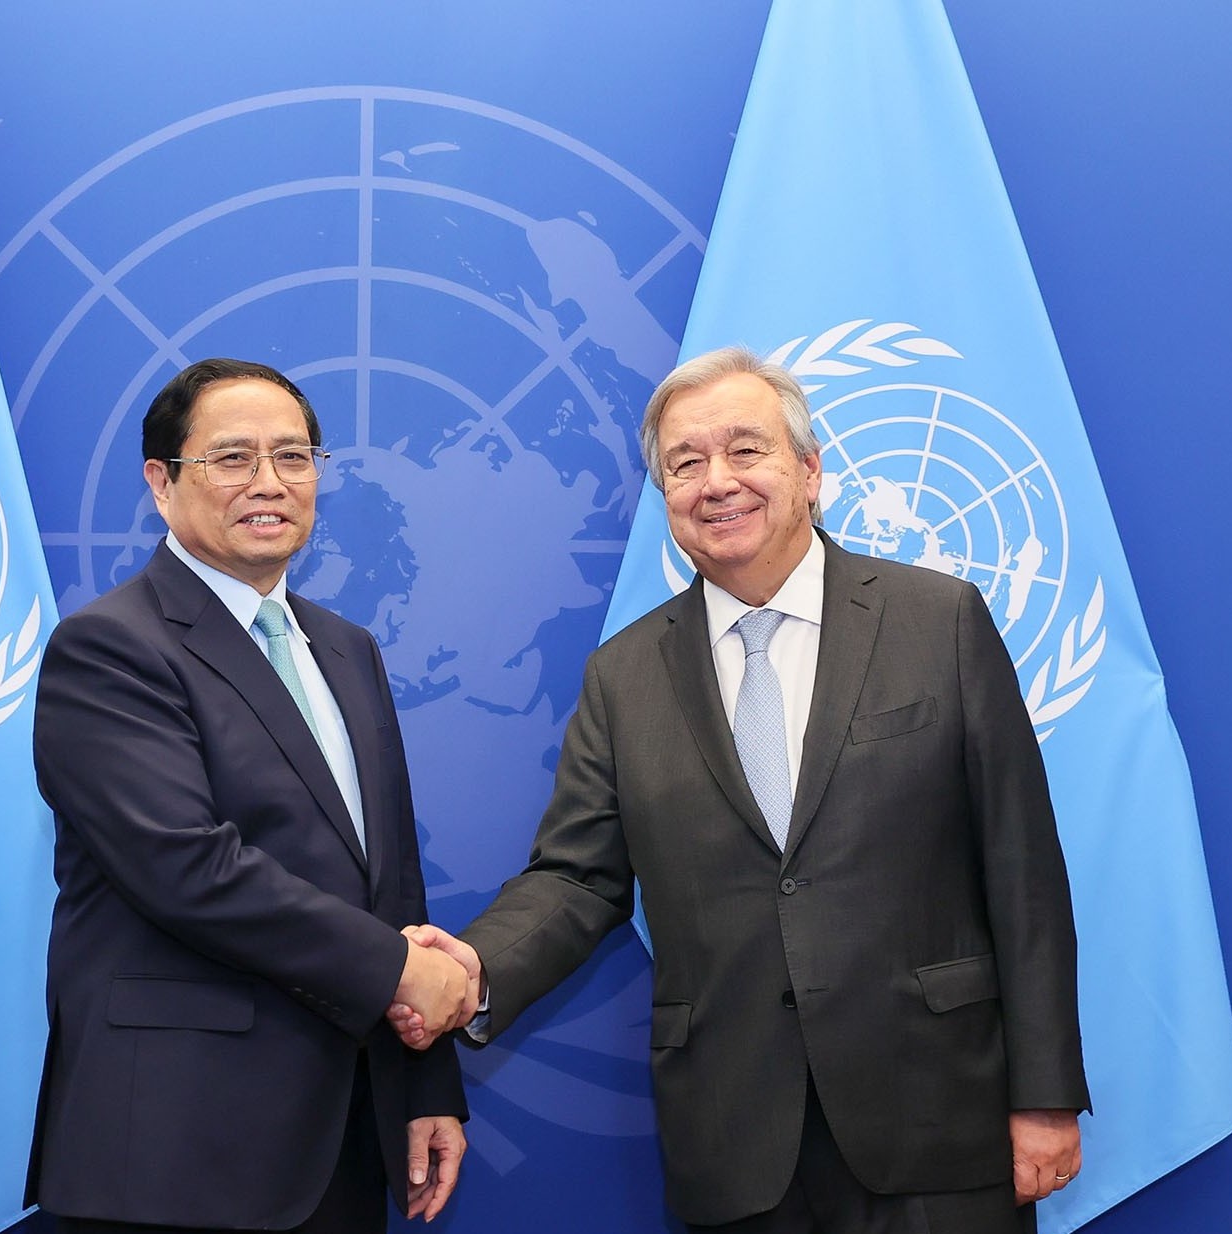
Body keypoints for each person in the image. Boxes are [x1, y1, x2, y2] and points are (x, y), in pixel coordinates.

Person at [395, 347, 1088, 1233]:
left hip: (937, 1119)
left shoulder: (938, 621)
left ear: (810, 472)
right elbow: (577, 878)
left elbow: (1021, 868)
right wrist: (473, 966)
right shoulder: (623, 676)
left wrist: (1045, 1095)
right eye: (685, 463)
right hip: (736, 1140)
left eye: (746, 450)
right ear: (666, 498)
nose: (716, 481)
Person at [28, 358, 470, 1234]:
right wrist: (398, 972)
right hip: (176, 1153)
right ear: (161, 483)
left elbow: (392, 886)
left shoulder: (346, 649)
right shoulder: (108, 648)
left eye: (294, 457)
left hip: (342, 1139)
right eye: (232, 458)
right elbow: (187, 868)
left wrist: (424, 1082)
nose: (270, 483)